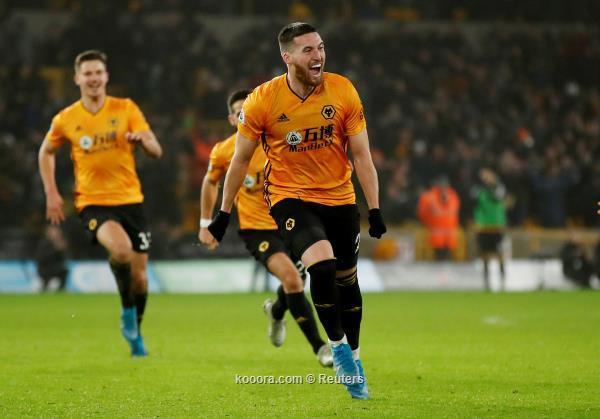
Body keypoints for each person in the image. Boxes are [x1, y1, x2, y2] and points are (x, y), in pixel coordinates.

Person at [205, 23, 386, 399]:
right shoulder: (263, 100)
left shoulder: (343, 90)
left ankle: (355, 356)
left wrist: (375, 208)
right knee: (320, 266)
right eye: (308, 50)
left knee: (347, 280)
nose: (318, 56)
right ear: (286, 57)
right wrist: (222, 214)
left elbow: (362, 155)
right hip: (289, 197)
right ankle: (337, 348)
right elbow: (239, 160)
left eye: (321, 47)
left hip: (339, 197)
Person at [38, 50, 162, 357]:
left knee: (140, 279)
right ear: (77, 78)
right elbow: (46, 152)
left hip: (131, 201)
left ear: (106, 76)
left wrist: (143, 142)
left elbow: (156, 149)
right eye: (87, 73)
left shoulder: (126, 108)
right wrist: (51, 192)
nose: (93, 78)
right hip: (93, 203)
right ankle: (126, 311)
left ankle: (135, 332)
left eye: (98, 72)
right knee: (120, 250)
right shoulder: (66, 118)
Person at [198, 89, 332, 367]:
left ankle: (276, 311)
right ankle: (320, 347)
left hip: (292, 223)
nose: (244, 115)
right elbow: (210, 182)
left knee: (295, 282)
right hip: (257, 230)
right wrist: (205, 223)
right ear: (231, 119)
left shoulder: (281, 140)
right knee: (293, 280)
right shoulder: (225, 151)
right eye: (239, 112)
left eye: (248, 109)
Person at [471, 168, 507, 291]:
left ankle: (503, 281)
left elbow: (498, 197)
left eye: (488, 175)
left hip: (497, 226)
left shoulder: (499, 187)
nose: (486, 178)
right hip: (483, 227)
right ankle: (486, 282)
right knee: (484, 254)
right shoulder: (477, 189)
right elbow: (472, 200)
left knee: (500, 254)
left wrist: (492, 184)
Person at [417, 175, 460, 261]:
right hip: (436, 234)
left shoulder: (453, 196)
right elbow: (422, 213)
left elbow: (455, 212)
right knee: (438, 257)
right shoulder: (429, 197)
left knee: (446, 258)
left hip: (449, 233)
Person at [35, 225, 69, 292]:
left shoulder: (61, 243)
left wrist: (63, 250)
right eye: (53, 232)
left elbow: (64, 259)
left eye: (56, 232)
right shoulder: (44, 244)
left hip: (56, 273)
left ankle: (61, 287)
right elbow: (42, 258)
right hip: (44, 272)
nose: (55, 234)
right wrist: (56, 249)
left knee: (63, 272)